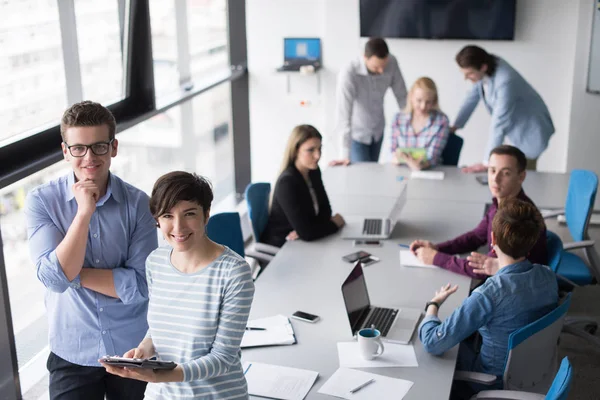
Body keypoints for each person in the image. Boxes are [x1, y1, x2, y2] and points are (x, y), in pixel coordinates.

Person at [25, 101, 158, 399]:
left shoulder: (138, 205)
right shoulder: (42, 202)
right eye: (78, 148)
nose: (89, 157)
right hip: (72, 350)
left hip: (132, 348)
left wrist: (71, 273)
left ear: (114, 148)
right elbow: (54, 280)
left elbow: (140, 285)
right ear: (65, 151)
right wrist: (84, 213)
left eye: (99, 146)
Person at [102, 171, 255, 399]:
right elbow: (161, 326)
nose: (178, 227)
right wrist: (145, 349)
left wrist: (163, 375)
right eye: (167, 216)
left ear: (206, 214)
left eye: (189, 214)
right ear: (157, 220)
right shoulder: (156, 261)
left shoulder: (234, 273)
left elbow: (223, 358)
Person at [418, 198, 559, 398]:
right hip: (535, 371)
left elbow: (433, 342)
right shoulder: (548, 276)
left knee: (433, 349)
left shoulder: (488, 295)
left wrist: (433, 305)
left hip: (493, 382)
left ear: (492, 239)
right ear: (531, 242)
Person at [410, 145, 547, 278]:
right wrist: (438, 248)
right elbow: (476, 237)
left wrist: (436, 258)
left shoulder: (514, 218)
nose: (495, 178)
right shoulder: (500, 202)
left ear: (521, 176)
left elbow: (483, 269)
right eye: (492, 170)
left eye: (506, 173)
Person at [451, 45, 554, 173]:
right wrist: (455, 126)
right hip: (516, 129)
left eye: (469, 74)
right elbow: (471, 98)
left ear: (483, 67)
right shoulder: (485, 68)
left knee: (521, 178)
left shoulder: (505, 81)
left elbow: (499, 123)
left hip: (531, 132)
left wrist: (487, 162)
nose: (466, 78)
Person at [261, 125, 345, 247]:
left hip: (303, 244)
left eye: (319, 148)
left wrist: (310, 228)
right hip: (283, 246)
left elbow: (325, 211)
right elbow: (307, 233)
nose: (317, 155)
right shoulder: (287, 182)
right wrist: (336, 223)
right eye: (311, 150)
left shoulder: (313, 171)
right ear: (295, 151)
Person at [330, 37, 407, 165]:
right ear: (365, 58)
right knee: (362, 177)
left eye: (384, 66)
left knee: (373, 173)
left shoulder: (392, 62)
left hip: (378, 130)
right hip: (357, 134)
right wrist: (344, 154)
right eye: (377, 67)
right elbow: (344, 115)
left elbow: (402, 96)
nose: (382, 71)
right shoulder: (349, 73)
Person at [390, 77, 450, 170]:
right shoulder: (398, 119)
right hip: (401, 170)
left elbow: (433, 156)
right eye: (419, 100)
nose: (423, 106)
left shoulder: (441, 121)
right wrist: (398, 158)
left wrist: (417, 164)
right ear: (411, 97)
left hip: (430, 171)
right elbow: (393, 150)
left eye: (428, 102)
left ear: (434, 101)